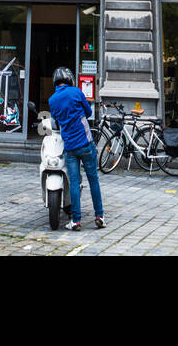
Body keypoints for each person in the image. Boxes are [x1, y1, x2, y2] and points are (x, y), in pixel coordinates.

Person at [48, 67, 104, 231]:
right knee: (93, 180)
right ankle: (99, 216)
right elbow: (88, 112)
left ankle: (76, 221)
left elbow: (56, 120)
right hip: (86, 143)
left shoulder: (52, 100)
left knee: (74, 183)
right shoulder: (76, 91)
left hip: (70, 147)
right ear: (69, 79)